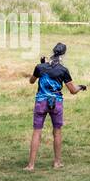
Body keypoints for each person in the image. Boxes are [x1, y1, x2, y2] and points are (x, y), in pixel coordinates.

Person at [25, 43, 86, 171]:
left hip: (41, 101)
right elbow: (73, 91)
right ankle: (57, 162)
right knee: (57, 132)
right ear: (63, 54)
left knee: (37, 132)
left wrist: (41, 64)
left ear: (52, 51)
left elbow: (31, 81)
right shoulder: (63, 70)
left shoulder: (40, 67)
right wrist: (81, 87)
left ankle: (31, 165)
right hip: (56, 102)